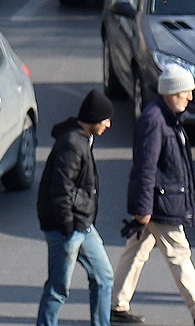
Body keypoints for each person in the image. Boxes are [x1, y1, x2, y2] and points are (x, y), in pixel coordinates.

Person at [110, 64, 195, 326]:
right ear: (171, 92)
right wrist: (143, 208)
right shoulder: (155, 121)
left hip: (159, 200)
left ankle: (116, 305)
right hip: (159, 203)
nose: (190, 97)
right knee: (178, 252)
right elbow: (145, 167)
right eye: (186, 92)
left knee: (135, 252)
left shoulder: (166, 117)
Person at [35, 89, 116, 326]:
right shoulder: (72, 144)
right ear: (93, 118)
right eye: (106, 119)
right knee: (58, 288)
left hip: (82, 223)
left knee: (104, 276)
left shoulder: (83, 139)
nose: (109, 125)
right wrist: (67, 226)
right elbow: (61, 189)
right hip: (66, 227)